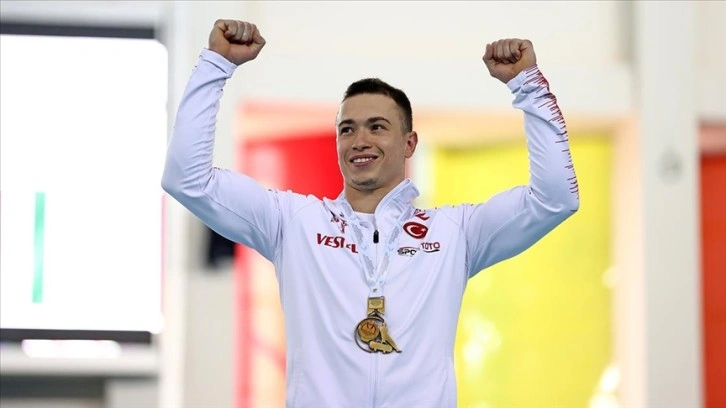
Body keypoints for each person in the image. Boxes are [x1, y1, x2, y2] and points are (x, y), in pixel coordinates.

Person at [162, 18, 579, 408]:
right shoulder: (294, 222)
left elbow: (556, 198)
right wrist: (215, 65)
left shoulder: (457, 232)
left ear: (409, 143)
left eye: (377, 126)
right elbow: (187, 179)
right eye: (347, 129)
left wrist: (528, 85)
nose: (359, 140)